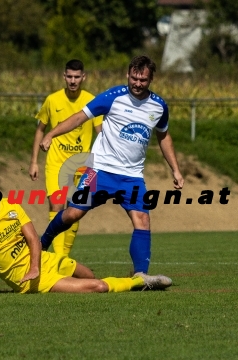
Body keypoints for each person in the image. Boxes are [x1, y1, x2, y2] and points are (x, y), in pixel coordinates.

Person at [38, 55, 184, 277]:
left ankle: (140, 275)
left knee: (142, 220)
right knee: (72, 214)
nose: (137, 83)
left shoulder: (159, 106)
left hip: (132, 177)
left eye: (143, 80)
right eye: (134, 78)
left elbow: (164, 137)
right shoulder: (113, 97)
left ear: (151, 79)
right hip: (100, 170)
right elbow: (79, 117)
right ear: (128, 75)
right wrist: (51, 133)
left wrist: (175, 169)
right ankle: (40, 245)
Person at [0, 170, 172, 295]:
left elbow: (33, 238)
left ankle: (125, 281)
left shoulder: (10, 205)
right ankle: (140, 281)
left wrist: (36, 265)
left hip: (43, 261)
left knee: (88, 275)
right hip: (27, 279)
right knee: (96, 287)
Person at [29, 59, 102, 257]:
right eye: (69, 76)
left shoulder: (92, 101)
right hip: (56, 162)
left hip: (82, 165)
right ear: (64, 77)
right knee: (57, 204)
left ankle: (64, 257)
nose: (72, 80)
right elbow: (40, 130)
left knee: (75, 210)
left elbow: (101, 133)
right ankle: (59, 259)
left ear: (83, 77)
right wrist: (34, 161)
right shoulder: (52, 100)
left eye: (76, 77)